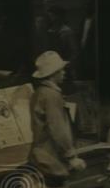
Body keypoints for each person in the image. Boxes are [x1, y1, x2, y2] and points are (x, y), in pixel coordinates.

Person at [28, 51, 86, 179]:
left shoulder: (38, 93)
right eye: (61, 70)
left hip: (40, 156)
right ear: (53, 73)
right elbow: (58, 128)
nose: (64, 73)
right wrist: (71, 156)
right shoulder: (51, 95)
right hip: (52, 158)